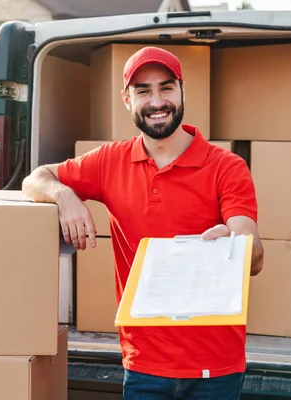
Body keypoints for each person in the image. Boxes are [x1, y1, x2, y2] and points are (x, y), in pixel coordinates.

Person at [22, 46, 264, 400]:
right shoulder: (109, 162)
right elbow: (36, 179)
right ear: (127, 99)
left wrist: (236, 245)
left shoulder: (226, 167)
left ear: (182, 91)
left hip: (216, 366)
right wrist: (65, 197)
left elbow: (255, 256)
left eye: (166, 88)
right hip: (144, 365)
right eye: (143, 91)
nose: (156, 101)